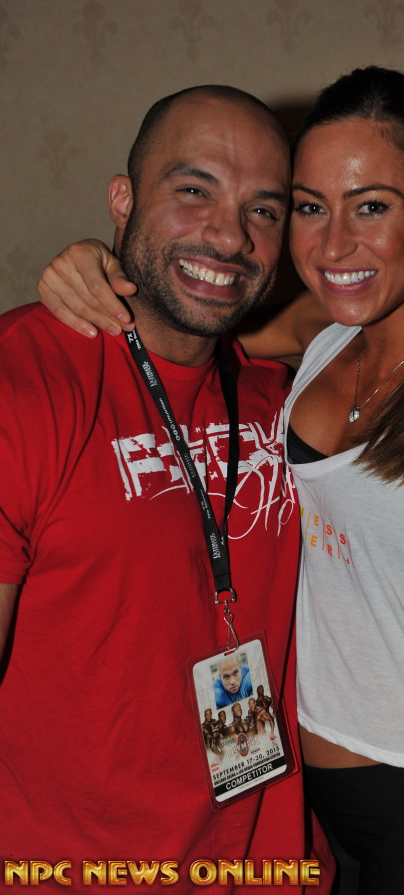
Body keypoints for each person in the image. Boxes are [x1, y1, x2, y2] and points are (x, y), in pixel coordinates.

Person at [36, 68, 404, 895]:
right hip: (304, 804)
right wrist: (93, 267)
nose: (333, 245)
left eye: (372, 206)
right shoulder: (323, 337)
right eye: (311, 208)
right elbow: (189, 325)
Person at [0, 85, 335, 893]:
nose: (229, 235)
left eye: (262, 210)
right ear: (122, 200)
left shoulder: (285, 397)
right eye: (193, 190)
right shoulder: (25, 385)